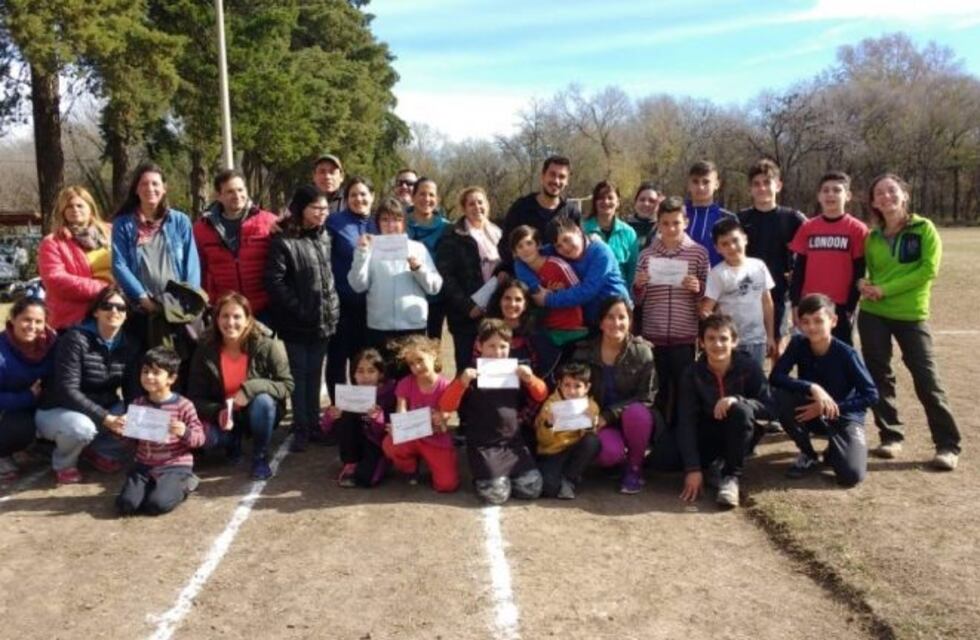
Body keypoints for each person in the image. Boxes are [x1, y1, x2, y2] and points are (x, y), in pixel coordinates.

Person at [857, 174, 962, 469]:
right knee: (879, 377)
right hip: (873, 314)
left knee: (927, 379)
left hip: (911, 315)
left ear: (904, 194)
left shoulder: (923, 228)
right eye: (879, 193)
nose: (886, 197)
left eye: (892, 191)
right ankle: (890, 436)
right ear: (874, 201)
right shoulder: (873, 236)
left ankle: (947, 445)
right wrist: (864, 284)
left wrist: (885, 289)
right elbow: (869, 271)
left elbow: (928, 270)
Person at [35, 286, 140, 484]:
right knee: (81, 429)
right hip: (59, 409)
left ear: (127, 314)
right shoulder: (75, 339)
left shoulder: (130, 344)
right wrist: (106, 418)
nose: (114, 311)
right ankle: (64, 464)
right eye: (107, 306)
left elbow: (132, 389)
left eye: (121, 307)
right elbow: (67, 390)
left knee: (137, 419)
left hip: (101, 408)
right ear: (96, 311)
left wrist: (130, 414)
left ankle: (95, 451)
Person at [770, 294, 878, 486]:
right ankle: (808, 454)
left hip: (844, 414)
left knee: (851, 475)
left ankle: (837, 448)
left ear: (833, 321)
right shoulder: (798, 344)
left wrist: (832, 407)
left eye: (819, 321)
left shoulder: (847, 354)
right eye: (805, 322)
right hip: (811, 410)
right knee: (780, 396)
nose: (812, 327)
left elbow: (871, 395)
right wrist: (812, 387)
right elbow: (776, 377)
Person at [188, 292, 294, 480]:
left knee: (263, 401)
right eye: (225, 316)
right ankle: (231, 441)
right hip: (223, 413)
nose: (230, 322)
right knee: (204, 440)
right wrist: (217, 411)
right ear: (216, 319)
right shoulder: (205, 350)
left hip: (255, 410)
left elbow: (286, 385)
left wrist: (250, 389)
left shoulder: (267, 345)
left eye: (237, 316)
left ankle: (260, 456)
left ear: (247, 320)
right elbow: (195, 397)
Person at [265, 186, 340, 451]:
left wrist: (330, 308)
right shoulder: (283, 240)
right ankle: (300, 427)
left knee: (314, 373)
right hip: (297, 322)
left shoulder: (325, 237)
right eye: (316, 208)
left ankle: (314, 425)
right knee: (299, 374)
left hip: (323, 321)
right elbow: (275, 282)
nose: (322, 213)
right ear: (301, 209)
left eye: (325, 209)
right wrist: (299, 308)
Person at [439, 319, 547, 504]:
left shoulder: (516, 371)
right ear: (480, 346)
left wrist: (531, 379)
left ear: (510, 346)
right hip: (484, 446)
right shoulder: (470, 374)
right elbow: (446, 406)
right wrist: (461, 383)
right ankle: (486, 476)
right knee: (497, 495)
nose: (497, 353)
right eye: (491, 346)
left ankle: (505, 476)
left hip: (513, 443)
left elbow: (541, 396)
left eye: (503, 346)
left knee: (532, 489)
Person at [676, 314, 773, 508]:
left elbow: (770, 407)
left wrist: (737, 400)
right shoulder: (692, 373)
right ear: (701, 342)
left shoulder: (749, 367)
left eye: (723, 338)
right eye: (711, 338)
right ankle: (711, 466)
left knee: (741, 411)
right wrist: (692, 469)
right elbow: (686, 419)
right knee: (662, 460)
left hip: (738, 431)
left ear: (735, 341)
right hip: (707, 432)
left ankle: (730, 477)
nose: (717, 344)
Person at [634, 196, 709, 426]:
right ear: (658, 223)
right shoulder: (646, 255)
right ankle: (658, 436)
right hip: (653, 334)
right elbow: (637, 299)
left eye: (676, 223)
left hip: (684, 334)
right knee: (658, 389)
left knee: (684, 389)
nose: (671, 228)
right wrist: (639, 285)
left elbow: (708, 296)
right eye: (665, 223)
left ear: (685, 222)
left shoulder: (698, 253)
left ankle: (682, 434)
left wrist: (698, 287)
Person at [571, 296, 655, 494]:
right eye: (609, 317)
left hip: (631, 420)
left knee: (637, 412)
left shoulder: (642, 352)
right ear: (600, 322)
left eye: (622, 317)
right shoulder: (584, 352)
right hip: (597, 419)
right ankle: (619, 462)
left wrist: (608, 416)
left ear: (630, 321)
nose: (616, 323)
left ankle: (635, 468)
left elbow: (647, 396)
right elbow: (573, 389)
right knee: (608, 454)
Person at [111, 162, 201, 347]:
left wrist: (187, 298)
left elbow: (191, 264)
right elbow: (119, 264)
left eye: (155, 184)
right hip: (142, 310)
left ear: (164, 188)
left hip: (178, 308)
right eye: (144, 184)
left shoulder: (180, 221)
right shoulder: (123, 224)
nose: (150, 188)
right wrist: (143, 298)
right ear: (136, 189)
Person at [112, 347, 205, 516]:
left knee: (157, 505)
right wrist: (121, 430)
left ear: (171, 378)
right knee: (126, 505)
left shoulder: (183, 405)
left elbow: (200, 439)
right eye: (145, 371)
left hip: (174, 465)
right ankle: (150, 486)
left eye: (156, 373)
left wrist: (185, 432)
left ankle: (185, 482)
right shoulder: (138, 404)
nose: (149, 377)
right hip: (144, 465)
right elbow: (131, 441)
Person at [349, 197, 443, 358]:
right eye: (385, 220)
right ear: (377, 223)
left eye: (397, 219)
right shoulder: (368, 249)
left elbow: (435, 287)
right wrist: (361, 253)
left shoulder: (417, 248)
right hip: (379, 328)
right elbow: (358, 285)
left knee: (411, 379)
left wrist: (418, 268)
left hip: (412, 327)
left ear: (404, 223)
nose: (391, 225)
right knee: (383, 380)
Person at [789, 171, 868, 345]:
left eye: (837, 190)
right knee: (808, 355)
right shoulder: (808, 227)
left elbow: (859, 271)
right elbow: (799, 269)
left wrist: (850, 307)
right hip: (809, 303)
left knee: (840, 355)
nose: (830, 194)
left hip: (840, 305)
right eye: (825, 190)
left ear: (847, 196)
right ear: (819, 196)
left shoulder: (857, 229)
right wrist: (795, 303)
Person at [737, 159, 806, 348]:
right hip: (746, 291)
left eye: (767, 182)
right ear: (750, 189)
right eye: (756, 184)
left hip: (780, 291)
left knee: (777, 346)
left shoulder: (793, 218)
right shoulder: (741, 219)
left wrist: (796, 272)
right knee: (744, 345)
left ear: (778, 185)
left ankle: (777, 378)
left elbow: (811, 250)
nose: (762, 188)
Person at [436, 186, 504, 374]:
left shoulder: (498, 233)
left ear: (487, 205)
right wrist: (467, 307)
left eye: (480, 202)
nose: (477, 207)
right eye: (471, 203)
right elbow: (445, 276)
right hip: (466, 316)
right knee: (467, 370)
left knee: (493, 369)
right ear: (464, 208)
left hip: (494, 312)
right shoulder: (452, 235)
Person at [193, 169, 278, 318]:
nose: (237, 196)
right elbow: (198, 270)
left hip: (264, 309)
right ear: (219, 196)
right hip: (225, 312)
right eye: (230, 192)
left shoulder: (269, 222)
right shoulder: (201, 229)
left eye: (240, 189)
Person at [381, 335, 458, 492]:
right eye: (411, 364)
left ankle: (439, 462)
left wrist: (441, 419)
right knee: (389, 444)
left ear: (433, 355)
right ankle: (411, 468)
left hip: (436, 439)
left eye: (420, 360)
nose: (416, 367)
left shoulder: (446, 386)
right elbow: (401, 409)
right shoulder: (405, 383)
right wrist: (398, 427)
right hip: (412, 437)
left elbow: (445, 419)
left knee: (447, 485)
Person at [325, 176, 379, 400]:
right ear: (346, 199)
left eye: (363, 194)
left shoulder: (380, 223)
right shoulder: (335, 222)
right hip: (342, 303)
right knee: (338, 360)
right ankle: (340, 412)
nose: (359, 199)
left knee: (364, 361)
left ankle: (364, 412)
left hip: (373, 306)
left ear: (372, 196)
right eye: (353, 195)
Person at [521, 216, 631, 325]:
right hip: (591, 320)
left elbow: (587, 291)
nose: (565, 248)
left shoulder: (601, 252)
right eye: (558, 246)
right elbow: (521, 260)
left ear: (578, 231)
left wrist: (548, 299)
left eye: (566, 239)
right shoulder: (556, 251)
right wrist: (537, 288)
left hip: (617, 316)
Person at [701, 218, 777, 367]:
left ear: (745, 239)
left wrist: (770, 336)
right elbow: (706, 310)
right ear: (717, 248)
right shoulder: (717, 274)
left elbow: (767, 303)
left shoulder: (759, 266)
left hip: (757, 340)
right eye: (725, 244)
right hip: (730, 343)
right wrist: (716, 330)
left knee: (754, 382)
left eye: (735, 240)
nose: (732, 247)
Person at [38, 186, 113, 330]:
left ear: (90, 208)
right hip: (75, 319)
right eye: (69, 206)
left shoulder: (112, 232)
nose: (75, 209)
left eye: (80, 205)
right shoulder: (53, 242)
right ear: (63, 212)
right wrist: (105, 290)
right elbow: (55, 280)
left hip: (115, 312)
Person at [0, 297, 57, 481]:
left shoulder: (52, 344)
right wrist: (27, 397)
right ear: (13, 319)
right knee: (21, 428)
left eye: (38, 321)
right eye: (26, 319)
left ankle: (31, 446)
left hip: (38, 404)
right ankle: (3, 454)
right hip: (10, 408)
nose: (32, 326)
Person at [322, 349, 396, 488]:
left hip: (376, 445)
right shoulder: (348, 394)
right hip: (354, 442)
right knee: (346, 413)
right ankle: (350, 463)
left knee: (366, 480)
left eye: (371, 371)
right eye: (360, 371)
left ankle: (377, 465)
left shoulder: (389, 393)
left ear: (380, 374)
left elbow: (387, 431)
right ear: (353, 374)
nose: (365, 376)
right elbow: (327, 429)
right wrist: (330, 417)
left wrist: (376, 418)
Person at [497, 155, 581, 273]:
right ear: (542, 176)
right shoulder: (521, 207)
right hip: (524, 277)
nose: (556, 181)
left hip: (560, 278)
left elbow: (578, 248)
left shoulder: (571, 212)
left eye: (562, 177)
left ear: (567, 181)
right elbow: (505, 246)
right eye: (552, 174)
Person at [510, 225, 587, 347]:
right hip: (545, 328)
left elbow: (578, 291)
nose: (525, 249)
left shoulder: (558, 265)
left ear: (538, 245)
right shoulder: (522, 274)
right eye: (520, 246)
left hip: (569, 328)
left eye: (529, 243)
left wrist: (555, 294)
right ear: (515, 253)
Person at [534, 362, 602, 500]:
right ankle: (559, 479)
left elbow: (588, 439)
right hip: (552, 452)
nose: (571, 391)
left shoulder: (591, 407)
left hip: (573, 451)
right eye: (567, 385)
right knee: (549, 489)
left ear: (587, 387)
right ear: (560, 384)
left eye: (577, 386)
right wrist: (548, 424)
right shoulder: (550, 406)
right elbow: (543, 441)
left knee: (592, 442)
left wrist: (589, 426)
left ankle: (569, 479)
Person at [406, 178, 451, 338]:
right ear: (413, 196)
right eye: (422, 194)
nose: (427, 199)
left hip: (436, 298)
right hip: (407, 295)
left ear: (437, 199)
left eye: (431, 195)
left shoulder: (447, 228)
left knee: (433, 348)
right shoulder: (400, 223)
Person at [582, 180, 638, 286]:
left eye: (610, 198)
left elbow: (632, 270)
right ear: (595, 202)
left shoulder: (629, 233)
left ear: (618, 202)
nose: (606, 201)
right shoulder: (582, 229)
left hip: (619, 294)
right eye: (601, 198)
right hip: (590, 293)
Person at [685, 160, 736, 266]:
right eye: (695, 181)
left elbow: (737, 256)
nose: (700, 187)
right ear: (689, 184)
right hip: (679, 281)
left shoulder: (727, 218)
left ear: (717, 184)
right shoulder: (676, 215)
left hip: (717, 280)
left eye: (706, 182)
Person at [626, 181, 664, 251]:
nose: (646, 204)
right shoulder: (624, 228)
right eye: (642, 200)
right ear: (635, 202)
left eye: (651, 201)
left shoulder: (663, 229)